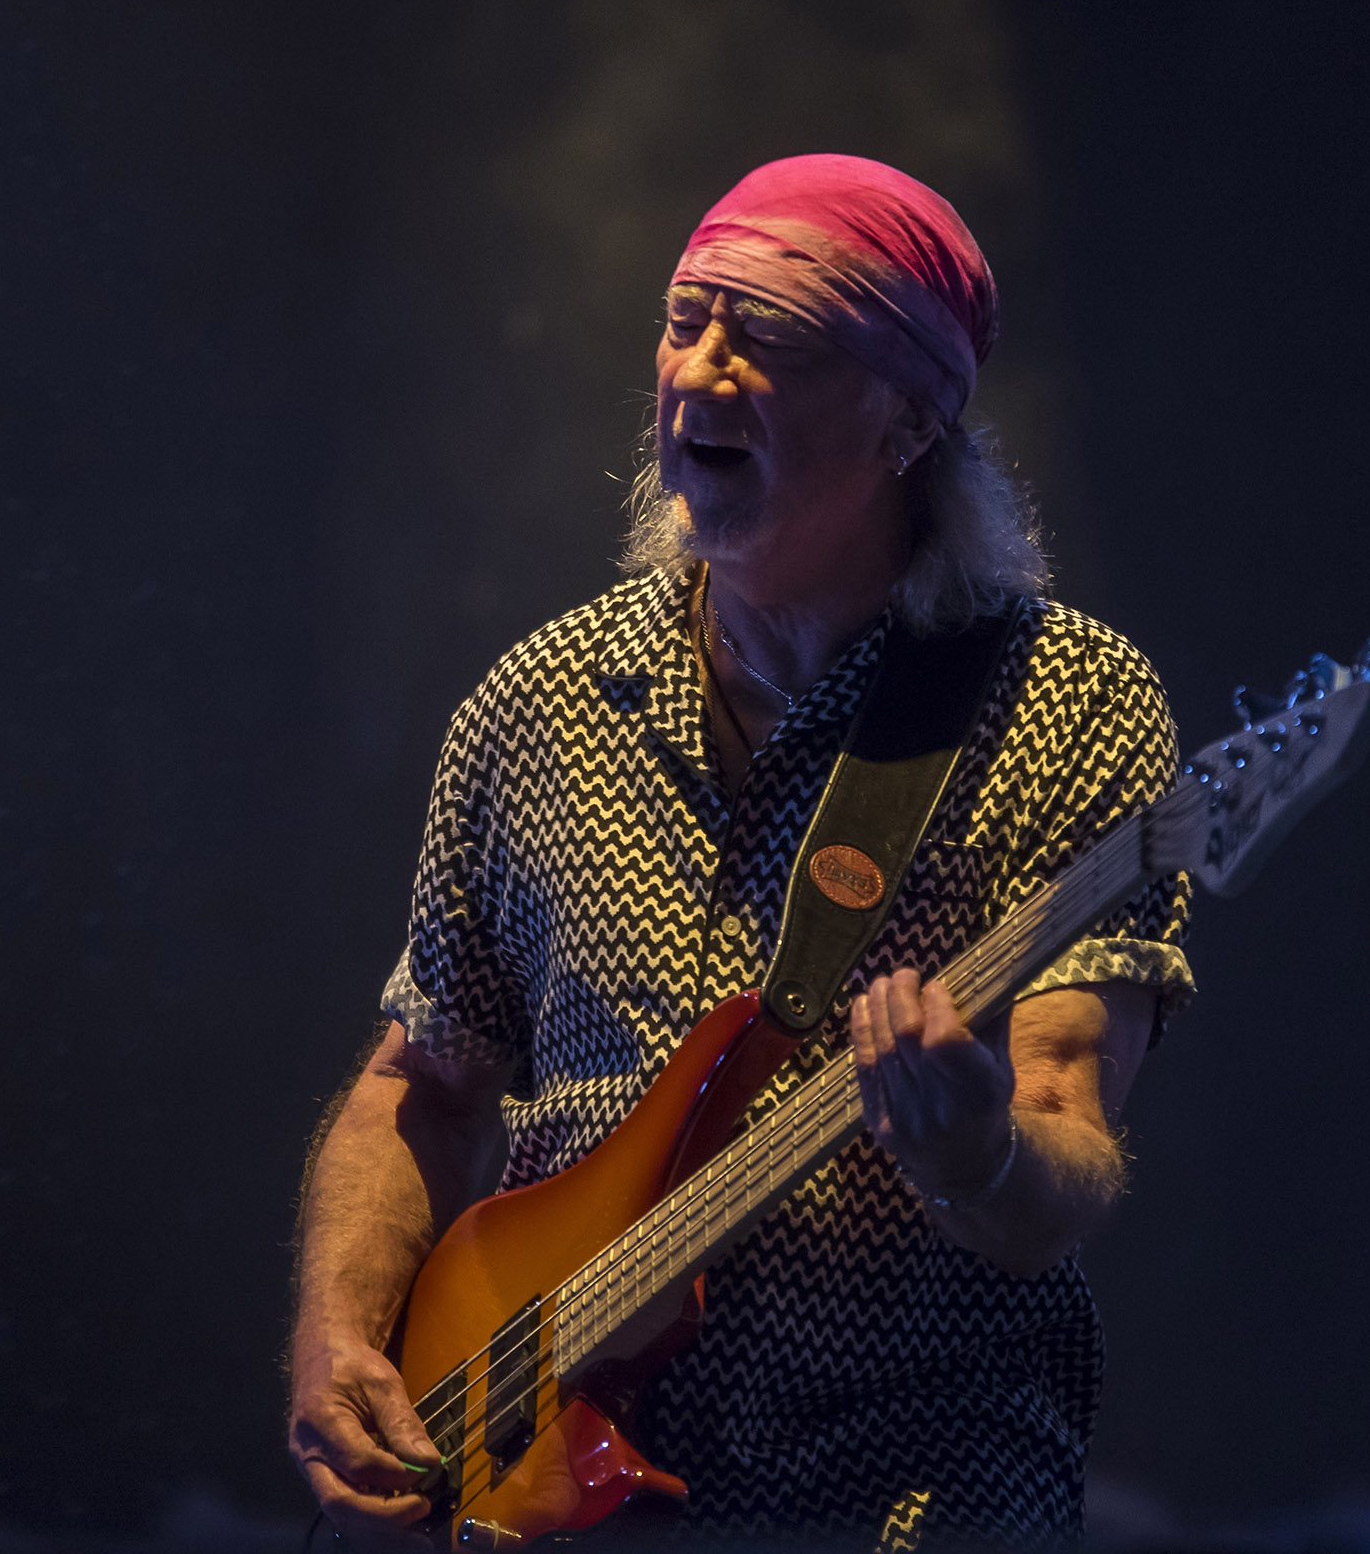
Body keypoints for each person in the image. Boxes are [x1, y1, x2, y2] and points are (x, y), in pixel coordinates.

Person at [286, 154, 1195, 1550]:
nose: (700, 370)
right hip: (558, 1479)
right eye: (684, 320)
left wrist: (974, 1154)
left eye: (769, 335)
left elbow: (1060, 1145)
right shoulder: (537, 704)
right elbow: (423, 1084)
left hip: (912, 1472)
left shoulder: (1062, 704)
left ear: (909, 416)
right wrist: (340, 1338)